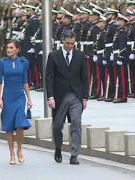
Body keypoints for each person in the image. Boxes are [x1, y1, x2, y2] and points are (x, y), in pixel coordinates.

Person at [45, 30, 88, 165]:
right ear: (63, 41)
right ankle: (58, 148)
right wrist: (50, 96)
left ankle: (74, 154)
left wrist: (85, 98)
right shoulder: (53, 56)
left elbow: (85, 78)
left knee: (76, 122)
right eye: (68, 43)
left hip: (76, 95)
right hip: (59, 96)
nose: (70, 46)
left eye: (72, 43)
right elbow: (49, 78)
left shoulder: (80, 56)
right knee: (57, 126)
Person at [0, 39, 32, 165]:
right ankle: (11, 153)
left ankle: (19, 150)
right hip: (7, 96)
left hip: (19, 96)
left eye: (12, 47)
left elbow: (25, 81)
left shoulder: (23, 62)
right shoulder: (2, 63)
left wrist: (29, 98)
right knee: (9, 125)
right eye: (8, 47)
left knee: (20, 123)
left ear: (17, 49)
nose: (9, 50)